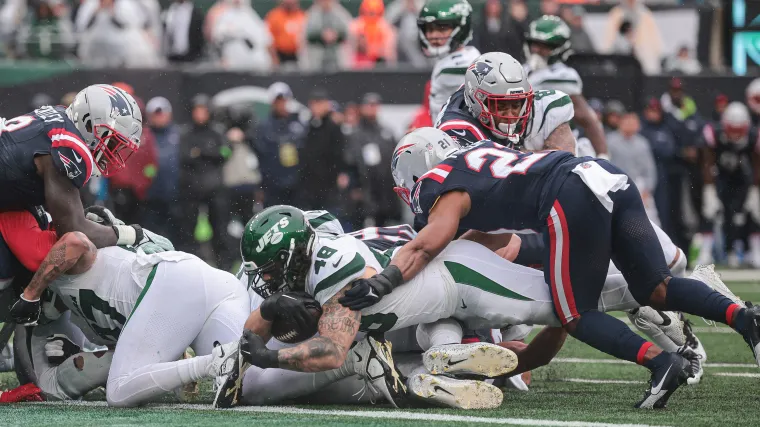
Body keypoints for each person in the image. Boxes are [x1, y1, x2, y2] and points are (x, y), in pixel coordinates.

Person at [344, 59, 760, 408]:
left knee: (575, 314)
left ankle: (659, 364)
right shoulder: (472, 151)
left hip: (570, 196)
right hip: (605, 175)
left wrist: (385, 281)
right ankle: (744, 318)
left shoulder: (443, 178)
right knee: (657, 287)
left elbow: (429, 242)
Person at [8, 227, 249, 408]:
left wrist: (31, 293)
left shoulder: (75, 267)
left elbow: (75, 241)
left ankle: (210, 362)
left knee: (119, 391)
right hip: (217, 286)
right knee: (249, 384)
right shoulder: (81, 305)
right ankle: (218, 360)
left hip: (169, 283)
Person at [0, 84, 166, 252]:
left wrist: (82, 215)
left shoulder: (60, 119)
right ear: (88, 123)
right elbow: (72, 230)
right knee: (56, 252)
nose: (113, 151)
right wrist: (133, 234)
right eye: (112, 140)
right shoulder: (67, 145)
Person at [523, 15, 608, 158]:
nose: (537, 50)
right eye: (534, 43)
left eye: (545, 46)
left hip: (555, 147)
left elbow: (586, 118)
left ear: (558, 48)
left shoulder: (562, 75)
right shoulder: (524, 69)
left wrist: (602, 155)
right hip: (528, 144)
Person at [177, 94, 234, 269]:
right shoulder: (186, 133)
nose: (200, 114)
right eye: (197, 110)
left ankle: (223, 266)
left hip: (215, 191)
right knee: (189, 232)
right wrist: (210, 153)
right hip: (192, 191)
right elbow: (185, 156)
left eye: (203, 110)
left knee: (220, 231)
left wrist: (202, 153)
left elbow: (226, 152)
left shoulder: (217, 132)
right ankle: (188, 266)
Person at [701, 102, 760, 268]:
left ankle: (752, 251)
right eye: (732, 129)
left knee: (752, 212)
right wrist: (709, 188)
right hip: (719, 176)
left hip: (743, 178)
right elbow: (707, 161)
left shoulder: (754, 135)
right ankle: (705, 252)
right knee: (710, 211)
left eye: (739, 130)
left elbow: (757, 163)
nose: (735, 134)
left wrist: (755, 188)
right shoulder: (713, 132)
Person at [418, 0, 480, 123]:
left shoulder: (454, 68)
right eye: (429, 29)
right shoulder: (470, 53)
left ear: (461, 28)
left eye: (442, 28)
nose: (434, 35)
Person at [346, 93, 400, 227]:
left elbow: (396, 158)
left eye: (375, 105)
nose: (372, 108)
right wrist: (356, 187)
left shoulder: (386, 132)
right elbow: (350, 162)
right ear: (362, 108)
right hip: (366, 192)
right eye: (369, 105)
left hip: (386, 192)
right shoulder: (355, 134)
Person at [253, 82, 305, 207]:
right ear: (272, 103)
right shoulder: (263, 127)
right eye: (278, 101)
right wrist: (262, 186)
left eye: (284, 101)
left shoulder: (299, 124)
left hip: (297, 184)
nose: (282, 105)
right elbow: (261, 158)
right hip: (273, 186)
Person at [607, 113, 659, 225]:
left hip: (640, 185)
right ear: (621, 123)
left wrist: (647, 190)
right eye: (627, 122)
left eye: (633, 123)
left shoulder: (643, 143)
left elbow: (650, 169)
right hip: (617, 185)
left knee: (650, 221)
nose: (630, 125)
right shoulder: (610, 141)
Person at [639, 97, 677, 235]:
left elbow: (669, 151)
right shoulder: (640, 128)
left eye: (655, 111)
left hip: (661, 175)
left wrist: (653, 147)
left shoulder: (664, 129)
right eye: (650, 110)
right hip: (641, 177)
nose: (653, 114)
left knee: (662, 211)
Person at [302, 0, 352, 70]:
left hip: (337, 58)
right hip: (316, 58)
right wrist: (321, 35)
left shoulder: (341, 14)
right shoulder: (311, 14)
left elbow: (348, 34)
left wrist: (335, 35)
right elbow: (307, 35)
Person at [349, 0, 397, 68]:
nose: (372, 14)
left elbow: (388, 52)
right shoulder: (356, 25)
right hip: (359, 64)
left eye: (374, 11)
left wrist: (374, 49)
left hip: (379, 64)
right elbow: (351, 47)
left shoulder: (384, 27)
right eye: (370, 11)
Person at [265, 0, 305, 67]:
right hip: (279, 55)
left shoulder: (302, 15)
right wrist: (274, 58)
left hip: (298, 56)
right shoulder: (274, 16)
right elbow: (267, 39)